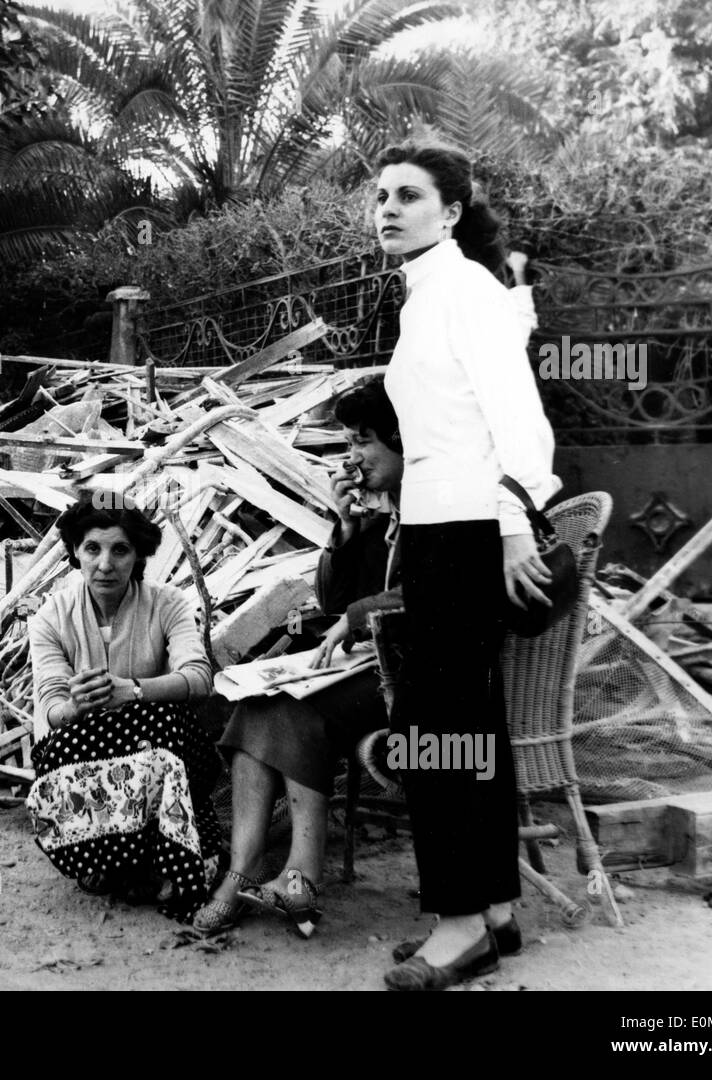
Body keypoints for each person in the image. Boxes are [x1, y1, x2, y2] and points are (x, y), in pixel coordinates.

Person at [373, 140, 560, 991]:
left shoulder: (468, 292)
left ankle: (457, 925)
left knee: (433, 727)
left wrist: (517, 519)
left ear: (449, 213)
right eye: (380, 195)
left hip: (471, 532)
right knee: (466, 724)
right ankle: (491, 909)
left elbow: (519, 420)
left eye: (408, 195)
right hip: (438, 529)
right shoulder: (423, 297)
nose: (388, 207)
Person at [192, 378, 404, 939]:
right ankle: (242, 874)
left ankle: (302, 874)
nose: (352, 457)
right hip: (373, 668)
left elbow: (428, 592)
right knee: (253, 707)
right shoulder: (389, 515)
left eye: (363, 441)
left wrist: (359, 614)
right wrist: (346, 529)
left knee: (294, 710)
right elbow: (334, 602)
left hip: (416, 685)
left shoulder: (435, 510)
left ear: (401, 436)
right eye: (349, 443)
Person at [24, 495, 223, 920]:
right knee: (65, 742)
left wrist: (132, 691)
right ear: (75, 553)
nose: (105, 564)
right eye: (92, 548)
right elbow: (51, 707)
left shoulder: (167, 603)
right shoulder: (50, 617)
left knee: (164, 720)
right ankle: (108, 860)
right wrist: (76, 705)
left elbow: (199, 677)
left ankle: (164, 859)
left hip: (155, 745)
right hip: (87, 753)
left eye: (120, 550)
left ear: (139, 555)